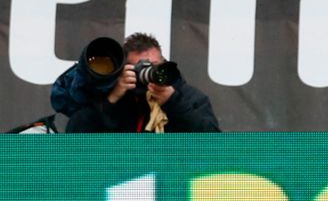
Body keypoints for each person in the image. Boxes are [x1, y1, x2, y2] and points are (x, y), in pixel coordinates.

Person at [62, 33, 220, 133]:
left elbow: (213, 143)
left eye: (155, 65)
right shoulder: (117, 97)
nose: (149, 72)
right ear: (125, 70)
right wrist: (112, 100)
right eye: (140, 67)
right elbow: (76, 136)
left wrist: (172, 102)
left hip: (173, 178)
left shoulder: (187, 96)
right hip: (122, 177)